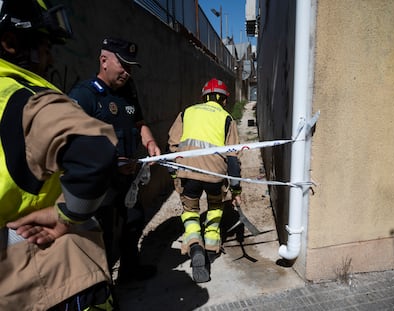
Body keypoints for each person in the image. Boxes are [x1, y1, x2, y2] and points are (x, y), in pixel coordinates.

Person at [0, 0, 120, 310]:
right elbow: (94, 151)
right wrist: (66, 215)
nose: (51, 57)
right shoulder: (26, 100)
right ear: (10, 42)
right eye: (45, 45)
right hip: (49, 277)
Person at [68, 37, 161, 285]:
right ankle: (103, 287)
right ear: (104, 60)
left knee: (133, 221)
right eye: (124, 65)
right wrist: (110, 163)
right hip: (101, 185)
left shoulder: (128, 93)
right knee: (103, 235)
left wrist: (150, 143)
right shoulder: (85, 95)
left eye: (131, 67)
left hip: (127, 181)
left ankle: (130, 270)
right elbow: (71, 143)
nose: (127, 73)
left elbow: (139, 124)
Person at [168, 78, 242, 283]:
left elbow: (172, 146)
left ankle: (194, 245)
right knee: (215, 206)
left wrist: (175, 175)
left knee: (190, 211)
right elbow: (233, 157)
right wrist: (236, 189)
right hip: (215, 176)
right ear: (224, 100)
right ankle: (211, 246)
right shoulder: (227, 118)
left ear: (204, 97)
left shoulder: (187, 112)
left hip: (188, 173)